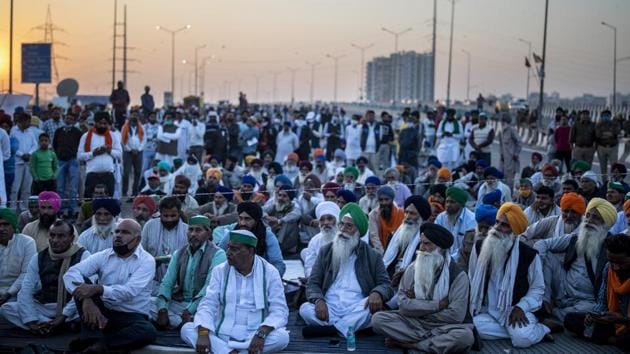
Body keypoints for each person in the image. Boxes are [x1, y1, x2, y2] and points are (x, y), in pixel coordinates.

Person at [180, 229, 290, 353]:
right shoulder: (220, 270)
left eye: (235, 249)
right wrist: (204, 332)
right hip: (222, 332)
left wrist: (261, 333)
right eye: (228, 248)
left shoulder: (270, 272)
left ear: (251, 251)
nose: (228, 253)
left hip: (254, 335)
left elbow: (279, 310)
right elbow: (208, 304)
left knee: (282, 337)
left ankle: (224, 351)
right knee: (187, 329)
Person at [371, 223, 475, 353]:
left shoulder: (458, 276)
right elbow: (403, 305)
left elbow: (456, 315)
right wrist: (437, 305)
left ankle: (413, 345)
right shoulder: (412, 269)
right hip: (413, 323)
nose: (421, 248)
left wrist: (417, 307)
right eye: (421, 243)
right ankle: (430, 343)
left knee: (465, 337)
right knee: (378, 320)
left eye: (427, 244)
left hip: (444, 327)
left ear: (441, 248)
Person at [300, 203, 393, 337]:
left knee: (370, 310)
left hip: (356, 307)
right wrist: (319, 300)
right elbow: (312, 283)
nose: (343, 229)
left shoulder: (372, 255)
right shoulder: (326, 251)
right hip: (329, 307)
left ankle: (331, 329)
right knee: (305, 309)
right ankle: (349, 328)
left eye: (349, 226)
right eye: (341, 224)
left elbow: (386, 285)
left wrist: (377, 293)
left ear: (358, 231)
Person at [63, 219, 157, 352]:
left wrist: (98, 289)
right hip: (101, 312)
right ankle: (95, 340)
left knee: (147, 331)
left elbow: (129, 292)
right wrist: (87, 300)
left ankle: (99, 345)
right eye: (117, 231)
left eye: (125, 232)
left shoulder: (147, 261)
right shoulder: (103, 255)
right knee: (82, 281)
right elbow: (70, 273)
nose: (118, 235)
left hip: (131, 316)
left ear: (137, 239)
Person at [469, 203, 551, 348]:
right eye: (497, 222)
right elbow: (472, 277)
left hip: (515, 311)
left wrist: (521, 307)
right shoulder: (479, 248)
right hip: (489, 311)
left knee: (521, 340)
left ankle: (542, 330)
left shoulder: (529, 255)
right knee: (471, 328)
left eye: (505, 225)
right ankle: (520, 331)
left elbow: (537, 288)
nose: (497, 228)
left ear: (515, 231)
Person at [534, 198, 617, 324]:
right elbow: (541, 244)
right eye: (588, 216)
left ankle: (555, 313)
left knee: (591, 310)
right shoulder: (575, 238)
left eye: (595, 218)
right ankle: (544, 301)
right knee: (547, 256)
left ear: (606, 223)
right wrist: (538, 268)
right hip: (562, 288)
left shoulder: (611, 248)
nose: (589, 221)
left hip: (586, 300)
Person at [0, 220, 89, 332]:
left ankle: (50, 325)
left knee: (90, 305)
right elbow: (26, 290)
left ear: (71, 238)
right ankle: (48, 325)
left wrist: (63, 315)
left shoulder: (83, 256)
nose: (55, 240)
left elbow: (83, 291)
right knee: (7, 308)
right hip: (44, 306)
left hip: (71, 307)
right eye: (52, 235)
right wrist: (30, 320)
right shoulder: (39, 257)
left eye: (61, 236)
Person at [152, 216, 226, 330]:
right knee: (147, 303)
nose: (193, 234)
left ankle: (180, 323)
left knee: (213, 314)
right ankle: (184, 324)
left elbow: (209, 288)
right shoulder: (179, 253)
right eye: (190, 230)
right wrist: (162, 310)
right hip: (181, 303)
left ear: (208, 233)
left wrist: (190, 310)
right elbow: (167, 283)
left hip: (203, 306)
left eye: (198, 230)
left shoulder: (218, 254)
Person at [564, 233, 630, 351]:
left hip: (625, 322)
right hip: (613, 323)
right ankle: (614, 340)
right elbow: (602, 301)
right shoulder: (608, 269)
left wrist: (621, 319)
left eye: (620, 263)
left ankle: (611, 339)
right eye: (611, 262)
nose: (615, 267)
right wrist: (594, 315)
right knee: (571, 319)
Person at [382, 196, 432, 308]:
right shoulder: (395, 235)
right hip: (387, 283)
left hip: (409, 288)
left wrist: (404, 275)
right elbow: (385, 263)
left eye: (413, 213)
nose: (408, 217)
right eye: (406, 212)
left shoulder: (427, 242)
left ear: (422, 217)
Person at [214, 202, 286, 276]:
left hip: (260, 275)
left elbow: (278, 264)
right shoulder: (232, 232)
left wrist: (267, 280)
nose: (243, 223)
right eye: (240, 218)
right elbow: (219, 255)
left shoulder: (267, 235)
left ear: (256, 220)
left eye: (247, 219)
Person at [141, 196, 189, 284]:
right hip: (151, 281)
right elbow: (141, 253)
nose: (169, 219)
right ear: (160, 213)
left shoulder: (187, 230)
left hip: (179, 283)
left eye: (173, 215)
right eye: (165, 216)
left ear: (179, 213)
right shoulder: (149, 226)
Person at [78, 111, 122, 199]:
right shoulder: (86, 136)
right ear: (95, 123)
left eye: (105, 123)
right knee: (89, 202)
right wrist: (93, 153)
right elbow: (79, 156)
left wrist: (109, 151)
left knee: (108, 204)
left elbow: (119, 154)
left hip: (108, 175)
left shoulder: (113, 136)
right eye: (100, 123)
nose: (102, 126)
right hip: (92, 175)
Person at [0, 208, 37, 305]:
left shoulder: (27, 242)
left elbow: (26, 273)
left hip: (18, 292)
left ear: (13, 226)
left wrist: (8, 294)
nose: (1, 229)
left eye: (6, 224)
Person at [435, 187, 477, 261]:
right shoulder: (440, 217)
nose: (448, 205)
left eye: (452, 202)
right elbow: (435, 241)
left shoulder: (471, 219)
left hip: (462, 260)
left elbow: (466, 248)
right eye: (447, 201)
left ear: (461, 204)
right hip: (441, 259)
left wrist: (450, 259)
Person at [53, 112, 82, 217]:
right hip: (61, 160)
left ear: (74, 121)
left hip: (73, 161)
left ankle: (72, 209)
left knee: (73, 187)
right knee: (60, 187)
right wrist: (58, 155)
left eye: (71, 118)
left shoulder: (78, 132)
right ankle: (60, 210)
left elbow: (80, 146)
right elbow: (55, 145)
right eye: (67, 118)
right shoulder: (59, 131)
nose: (68, 120)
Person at [301, 202, 340, 278]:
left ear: (336, 220)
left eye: (329, 219)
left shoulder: (344, 238)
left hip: (341, 279)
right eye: (322, 220)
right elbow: (309, 266)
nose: (326, 223)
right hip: (320, 279)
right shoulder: (315, 240)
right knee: (304, 252)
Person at [10, 113, 38, 210]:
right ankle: (12, 208)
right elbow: (11, 147)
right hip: (17, 163)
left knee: (27, 188)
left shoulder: (30, 131)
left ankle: (24, 208)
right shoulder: (13, 131)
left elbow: (35, 145)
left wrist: (29, 153)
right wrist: (21, 154)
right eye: (28, 121)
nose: (29, 123)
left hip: (28, 162)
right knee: (15, 188)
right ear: (22, 121)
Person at [263, 185, 301, 254]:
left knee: (288, 222)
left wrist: (279, 221)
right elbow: (261, 210)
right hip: (275, 234)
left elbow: (297, 214)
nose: (280, 198)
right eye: (279, 195)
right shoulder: (275, 205)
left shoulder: (294, 206)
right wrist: (267, 217)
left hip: (288, 241)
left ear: (290, 198)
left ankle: (277, 246)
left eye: (284, 196)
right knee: (262, 219)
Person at [368, 186, 405, 254]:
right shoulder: (373, 215)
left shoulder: (401, 213)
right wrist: (383, 254)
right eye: (381, 200)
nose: (384, 203)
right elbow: (374, 236)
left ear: (392, 199)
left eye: (386, 199)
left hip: (398, 251)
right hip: (380, 251)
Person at [121, 112, 145, 199]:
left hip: (139, 152)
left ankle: (135, 192)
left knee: (138, 172)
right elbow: (123, 141)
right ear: (129, 117)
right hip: (128, 152)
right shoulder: (125, 127)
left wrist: (138, 149)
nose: (134, 118)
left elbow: (144, 140)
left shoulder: (141, 127)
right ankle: (124, 191)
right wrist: (130, 149)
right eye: (132, 116)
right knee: (126, 172)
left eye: (136, 116)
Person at [498, 112, 522, 189]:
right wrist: (501, 154)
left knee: (509, 181)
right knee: (501, 179)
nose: (502, 122)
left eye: (503, 120)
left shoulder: (512, 130)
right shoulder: (501, 131)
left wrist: (516, 154)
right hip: (503, 160)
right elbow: (501, 145)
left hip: (511, 159)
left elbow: (519, 142)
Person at [595, 109, 620, 181]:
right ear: (601, 116)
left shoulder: (615, 123)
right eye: (604, 115)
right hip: (601, 147)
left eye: (608, 115)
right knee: (603, 167)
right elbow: (598, 135)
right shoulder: (598, 124)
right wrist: (609, 134)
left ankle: (614, 181)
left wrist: (605, 134)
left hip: (613, 147)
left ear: (610, 116)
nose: (606, 117)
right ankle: (604, 183)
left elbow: (616, 132)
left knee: (614, 166)